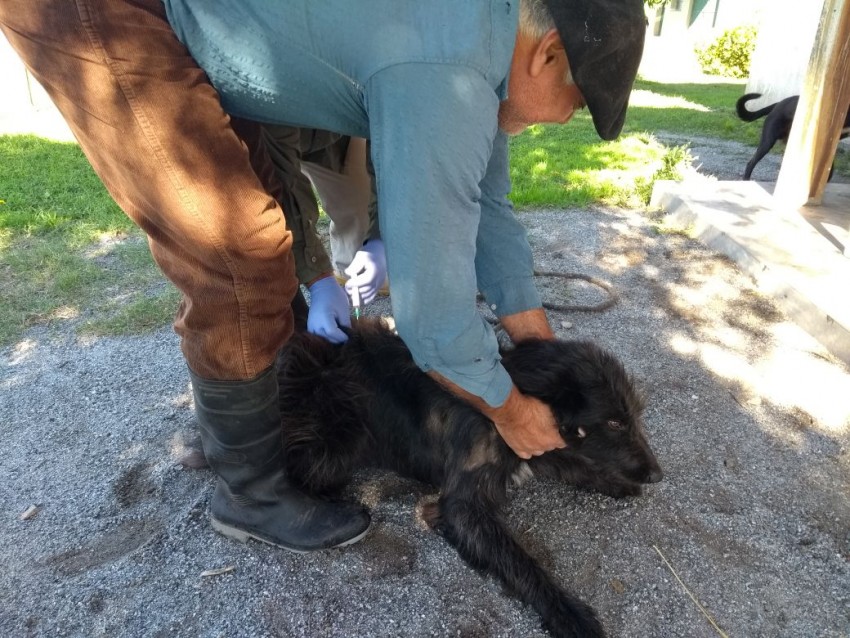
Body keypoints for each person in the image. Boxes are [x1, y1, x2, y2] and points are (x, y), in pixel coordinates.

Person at [0, 0, 645, 552]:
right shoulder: (446, 70)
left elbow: (492, 213)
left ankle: (242, 431)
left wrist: (540, 352)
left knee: (262, 238)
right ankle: (250, 492)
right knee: (240, 255)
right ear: (548, 52)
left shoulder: (482, 52)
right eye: (575, 101)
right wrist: (510, 411)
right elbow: (434, 322)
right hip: (110, 13)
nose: (565, 118)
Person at [261, 127, 386, 343]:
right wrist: (318, 279)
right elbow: (281, 180)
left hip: (339, 128)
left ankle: (352, 265)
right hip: (276, 130)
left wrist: (379, 239)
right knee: (265, 226)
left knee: (359, 211)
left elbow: (393, 157)